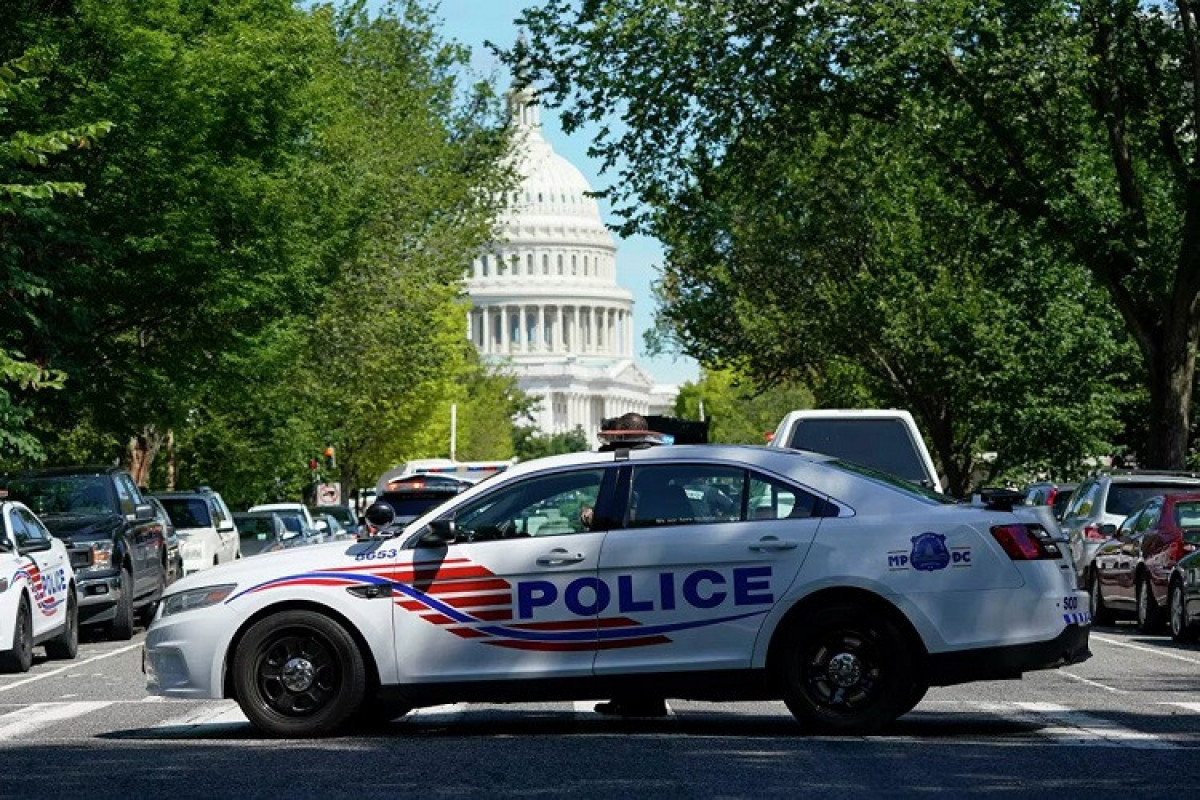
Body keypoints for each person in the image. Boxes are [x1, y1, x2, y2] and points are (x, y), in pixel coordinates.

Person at [592, 411, 670, 719]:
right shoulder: (654, 464)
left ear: (624, 434)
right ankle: (636, 698)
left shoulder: (632, 465)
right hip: (648, 557)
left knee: (629, 631)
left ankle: (640, 700)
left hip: (636, 559)